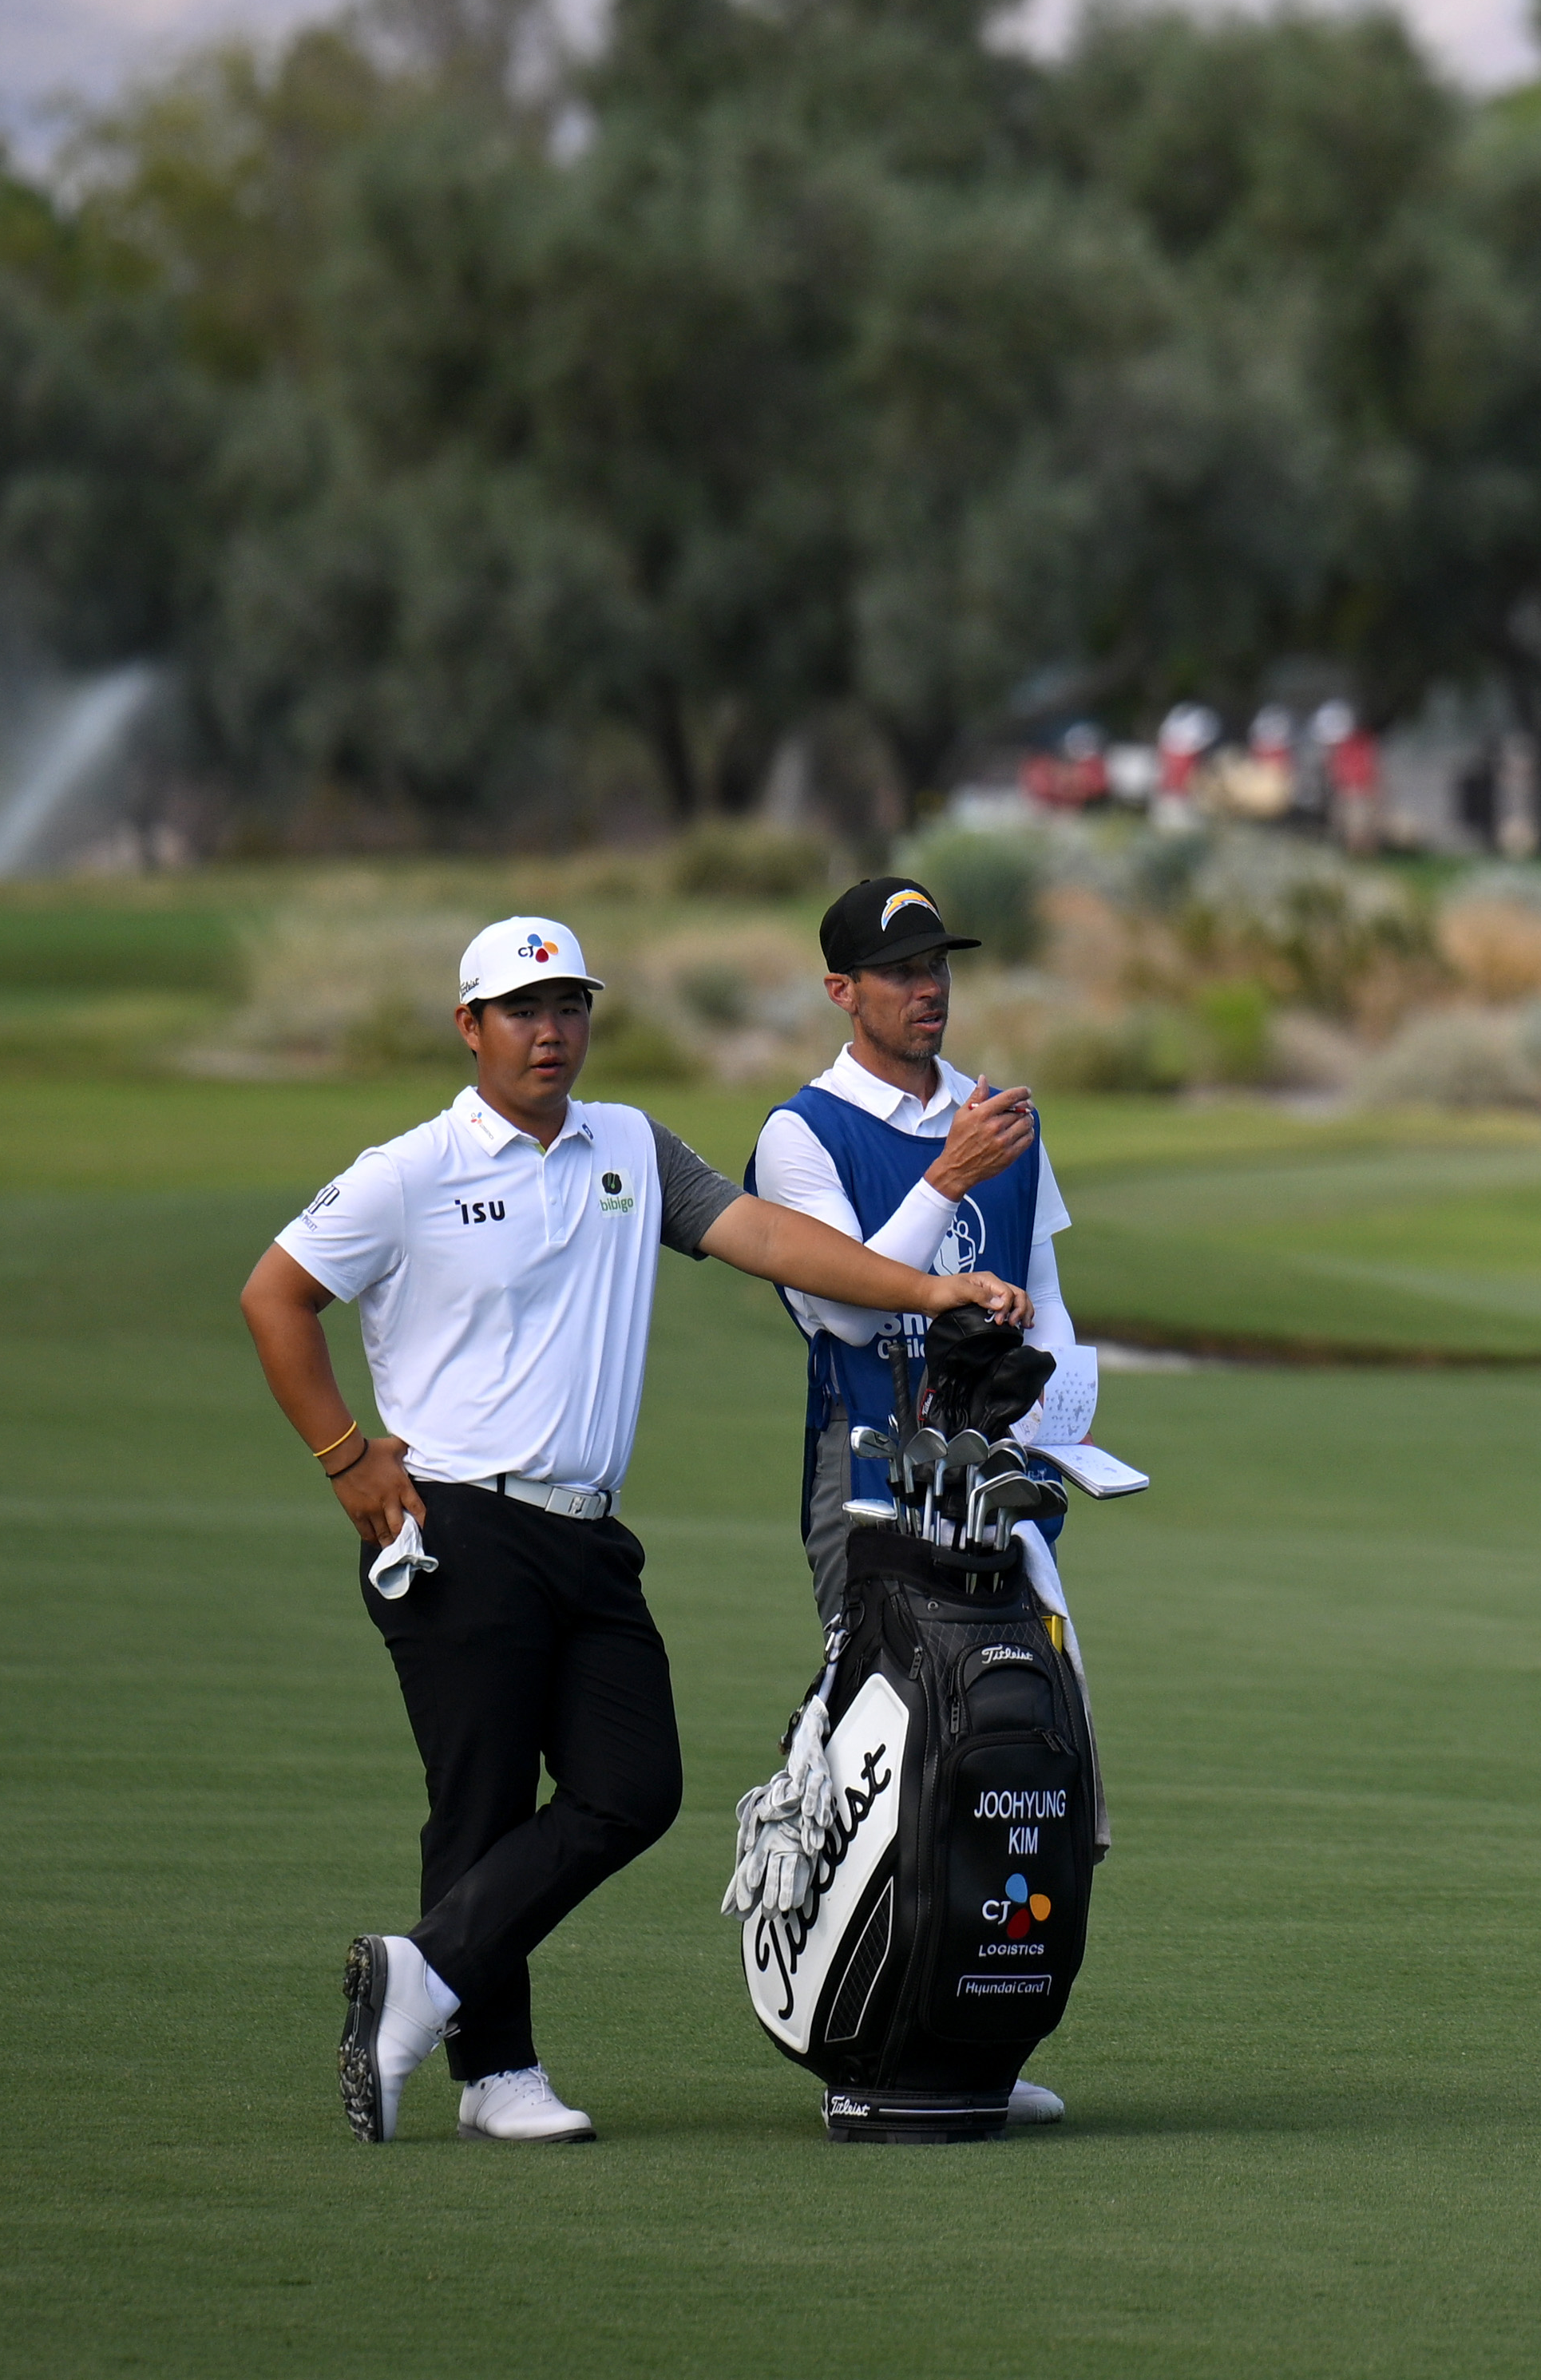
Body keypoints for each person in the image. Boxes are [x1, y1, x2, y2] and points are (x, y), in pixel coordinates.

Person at [244, 913, 1024, 2146]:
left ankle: (423, 1974)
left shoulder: (628, 1145)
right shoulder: (413, 1168)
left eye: (569, 1009)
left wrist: (925, 1286)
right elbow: (275, 1294)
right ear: (471, 1027)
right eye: (522, 1012)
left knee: (634, 1787)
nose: (550, 1034)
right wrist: (346, 1457)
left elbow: (764, 1236)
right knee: (482, 1802)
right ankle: (495, 2074)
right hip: (455, 1521)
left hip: (589, 1534)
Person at [746, 870, 1118, 2130]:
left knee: (1034, 1764)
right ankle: (871, 2051)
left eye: (939, 968)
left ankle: (981, 2047)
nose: (928, 992)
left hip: (998, 1492)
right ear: (842, 990)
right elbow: (844, 1300)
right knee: (897, 1769)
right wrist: (949, 1179)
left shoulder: (1002, 1117)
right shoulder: (803, 1132)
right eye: (900, 974)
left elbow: (1049, 1300)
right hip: (866, 1493)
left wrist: (1054, 1421)